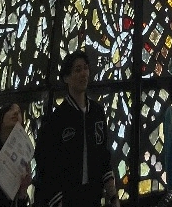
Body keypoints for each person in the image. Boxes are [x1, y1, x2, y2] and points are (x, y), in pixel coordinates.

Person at [34, 50, 118, 207]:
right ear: (66, 78)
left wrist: (113, 196)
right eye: (78, 70)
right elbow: (48, 165)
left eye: (86, 68)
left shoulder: (97, 112)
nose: (84, 74)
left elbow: (103, 155)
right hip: (68, 197)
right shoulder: (57, 119)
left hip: (93, 193)